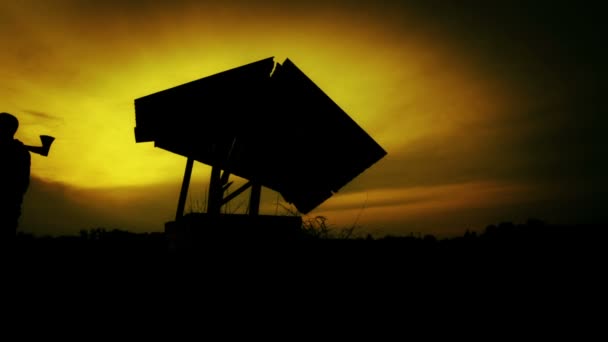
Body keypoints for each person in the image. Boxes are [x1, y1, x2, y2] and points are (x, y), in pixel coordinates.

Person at [0, 112, 31, 243]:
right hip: (12, 207)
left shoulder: (20, 152)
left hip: (8, 207)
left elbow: (22, 184)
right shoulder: (21, 151)